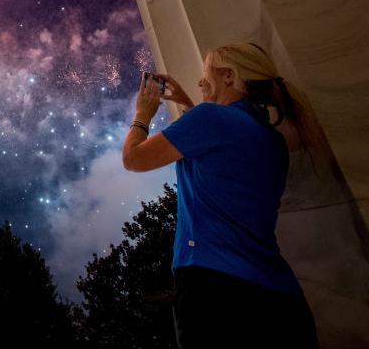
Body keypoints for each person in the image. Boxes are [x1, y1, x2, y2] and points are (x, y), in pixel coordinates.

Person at [121, 42, 320, 348]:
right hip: (283, 301)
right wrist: (188, 103)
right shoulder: (273, 141)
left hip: (216, 293)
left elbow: (133, 159)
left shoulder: (210, 119)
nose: (200, 82)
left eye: (206, 73)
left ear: (228, 76)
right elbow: (214, 155)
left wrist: (142, 115)